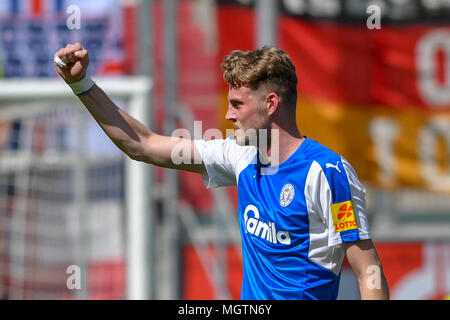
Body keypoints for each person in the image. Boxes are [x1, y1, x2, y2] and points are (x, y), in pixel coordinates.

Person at [54, 43, 389, 300]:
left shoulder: (326, 173)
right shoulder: (239, 156)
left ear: (270, 104)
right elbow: (142, 144)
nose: (228, 115)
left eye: (237, 104)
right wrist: (82, 84)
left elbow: (367, 268)